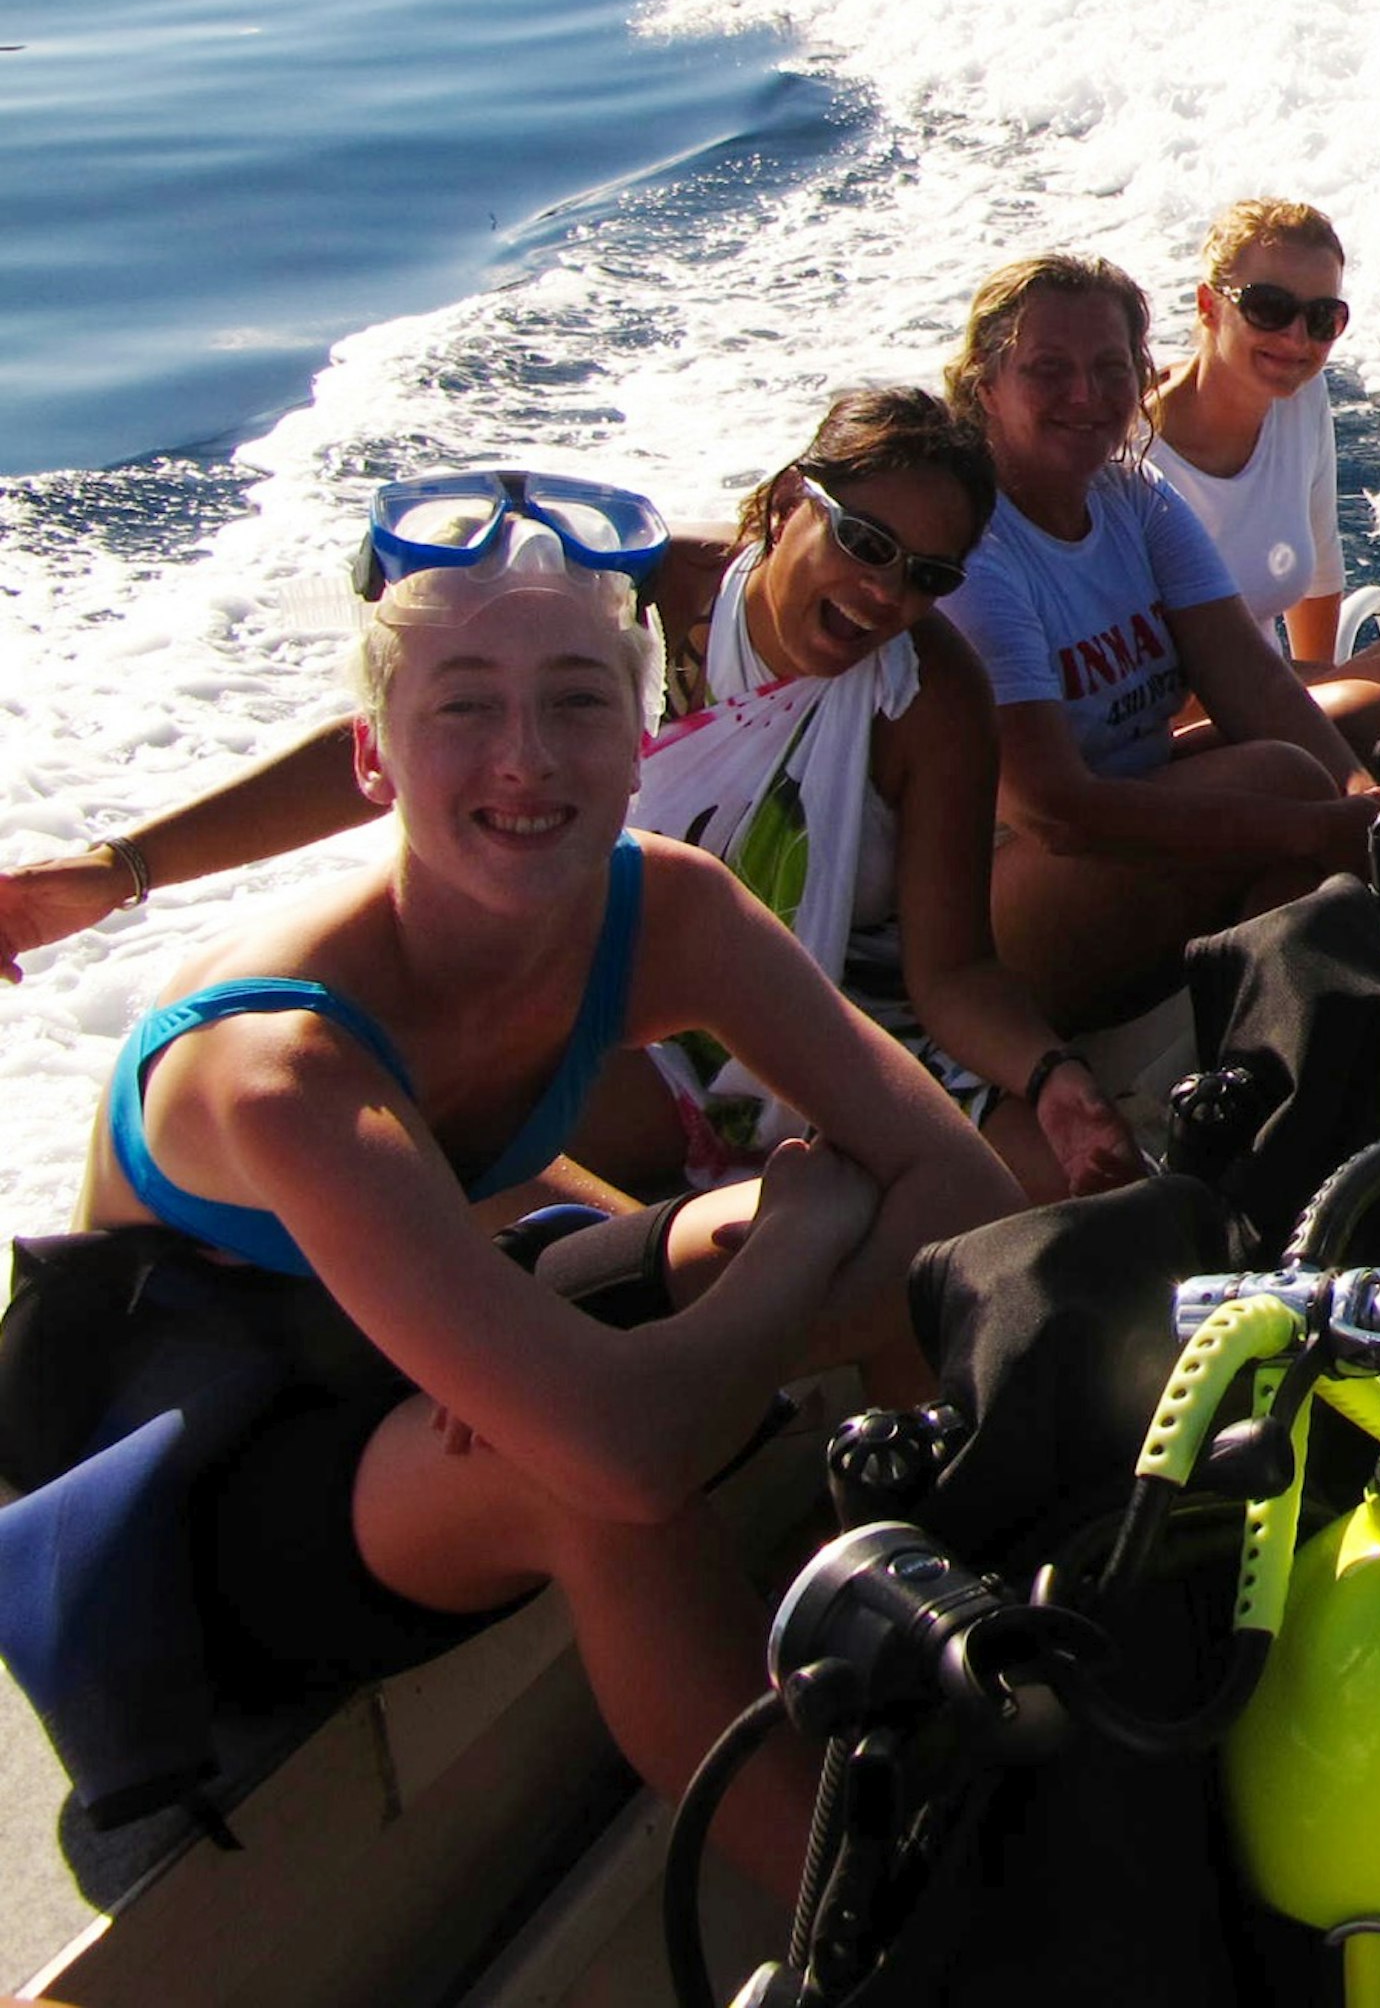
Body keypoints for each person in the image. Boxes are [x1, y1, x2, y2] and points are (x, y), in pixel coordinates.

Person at [58, 493, 1021, 1906]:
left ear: (639, 743)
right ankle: (884, 1920)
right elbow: (625, 1457)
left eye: (577, 700)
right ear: (373, 760)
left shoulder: (665, 911)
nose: (527, 760)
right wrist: (793, 1242)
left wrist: (712, 1295)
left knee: (773, 1258)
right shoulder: (277, 1063)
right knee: (585, 1476)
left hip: (422, 1340)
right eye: (464, 708)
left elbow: (966, 1190)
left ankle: (974, 1620)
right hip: (206, 1498)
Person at [0, 403, 1140, 1202]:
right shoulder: (616, 597)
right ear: (793, 502)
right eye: (865, 542)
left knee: (1031, 1189)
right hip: (585, 995)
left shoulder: (925, 691)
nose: (889, 592)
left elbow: (949, 975)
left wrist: (1055, 1078)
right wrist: (117, 872)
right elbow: (393, 741)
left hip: (820, 1002)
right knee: (420, 1142)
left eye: (928, 574)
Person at [936, 249, 1380, 1030]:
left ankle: (1310, 1026)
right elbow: (1057, 811)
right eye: (1049, 370)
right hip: (994, 902)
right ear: (986, 389)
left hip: (1121, 813)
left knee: (1369, 719)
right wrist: (1315, 824)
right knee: (1282, 782)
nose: (1086, 395)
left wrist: (1365, 805)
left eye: (1112, 369)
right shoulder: (978, 553)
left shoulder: (1129, 489)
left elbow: (1251, 680)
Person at [1142, 195, 1380, 754]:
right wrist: (1334, 701)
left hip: (1272, 690)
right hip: (1174, 721)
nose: (1297, 340)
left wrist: (1330, 695)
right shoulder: (1133, 453)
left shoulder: (1300, 396)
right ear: (1208, 306)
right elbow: (1140, 681)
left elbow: (1315, 570)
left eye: (1322, 319)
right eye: (1268, 308)